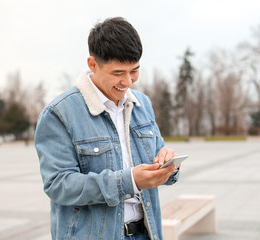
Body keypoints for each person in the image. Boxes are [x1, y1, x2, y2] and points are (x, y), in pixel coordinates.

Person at [35, 17, 180, 240]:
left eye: (134, 71)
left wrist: (168, 165)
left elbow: (159, 161)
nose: (128, 81)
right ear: (92, 64)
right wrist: (128, 182)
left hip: (147, 233)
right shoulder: (59, 113)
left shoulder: (142, 104)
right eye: (118, 73)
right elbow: (59, 185)